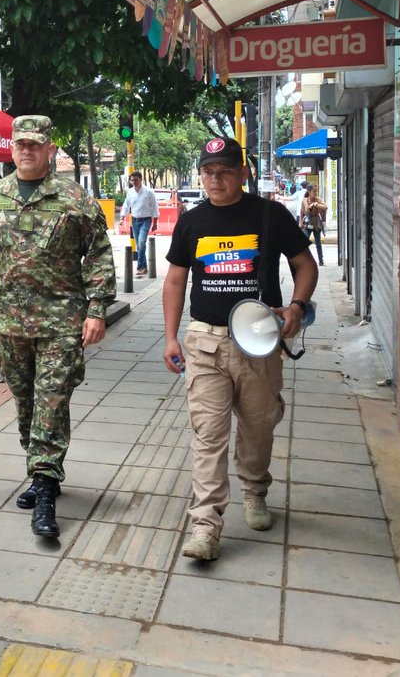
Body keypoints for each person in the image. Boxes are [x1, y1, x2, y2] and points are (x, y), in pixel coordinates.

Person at [0, 115, 116, 539]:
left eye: (36, 144)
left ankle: (43, 487)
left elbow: (98, 254)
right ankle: (43, 469)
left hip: (62, 321)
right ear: (11, 148)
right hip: (10, 322)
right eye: (21, 143)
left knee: (51, 400)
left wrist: (96, 309)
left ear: (49, 149)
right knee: (26, 403)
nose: (27, 150)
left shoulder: (74, 199)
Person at [161, 137, 318, 562]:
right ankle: (205, 526)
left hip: (259, 342)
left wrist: (297, 307)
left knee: (258, 426)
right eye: (208, 172)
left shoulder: (270, 215)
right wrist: (171, 336)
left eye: (225, 171)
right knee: (208, 436)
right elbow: (175, 281)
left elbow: (306, 265)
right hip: (206, 342)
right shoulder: (191, 222)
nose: (215, 179)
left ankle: (254, 490)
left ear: (242, 173)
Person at [118, 171, 158, 276]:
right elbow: (126, 205)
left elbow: (155, 207)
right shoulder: (130, 192)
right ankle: (144, 266)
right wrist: (122, 218)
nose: (134, 182)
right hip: (134, 220)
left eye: (136, 180)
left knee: (141, 242)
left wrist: (155, 223)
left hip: (146, 220)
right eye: (132, 180)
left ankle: (140, 266)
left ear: (141, 179)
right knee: (139, 245)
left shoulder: (149, 192)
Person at [300, 185, 327, 265]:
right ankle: (305, 259)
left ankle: (321, 260)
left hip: (316, 224)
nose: (315, 193)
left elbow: (325, 207)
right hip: (307, 223)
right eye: (314, 191)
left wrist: (316, 204)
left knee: (318, 242)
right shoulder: (305, 200)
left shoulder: (318, 199)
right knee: (304, 241)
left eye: (316, 191)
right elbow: (305, 211)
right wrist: (300, 223)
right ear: (309, 192)